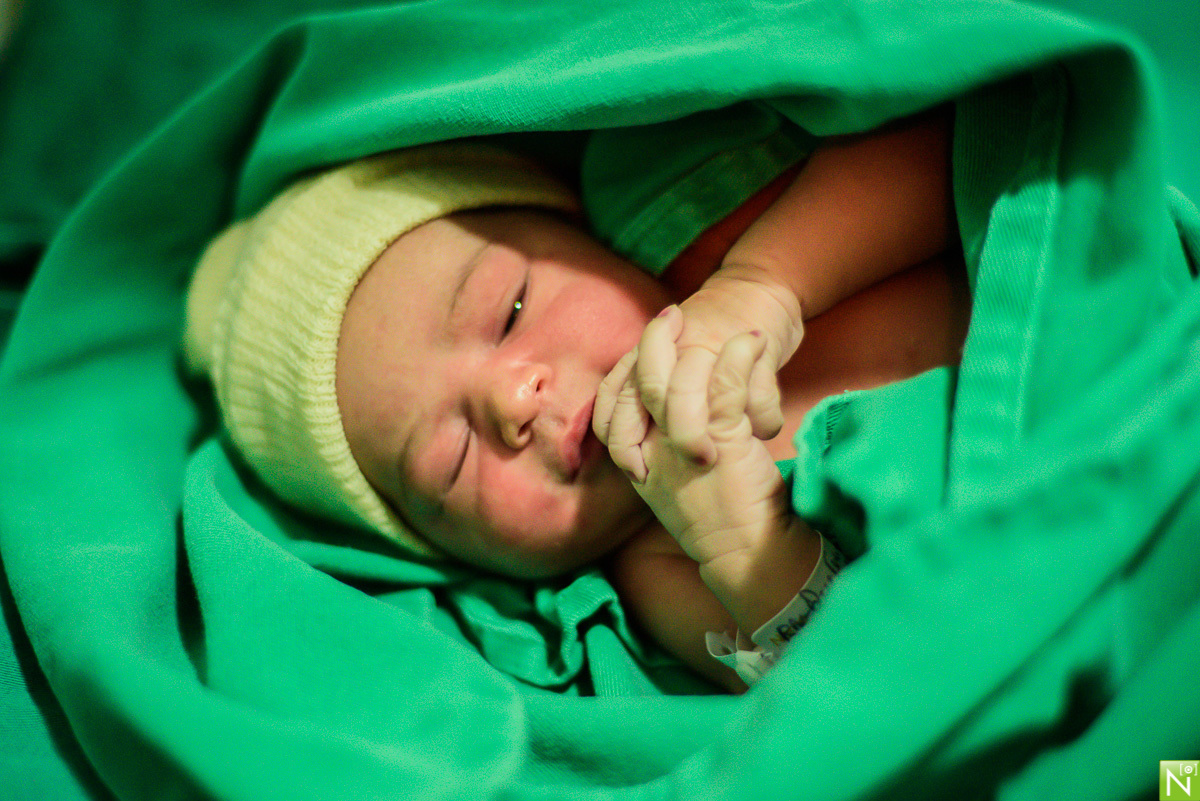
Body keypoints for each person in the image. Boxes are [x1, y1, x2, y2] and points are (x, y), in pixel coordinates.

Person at [185, 109, 968, 691]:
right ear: (457, 555)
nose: (510, 399)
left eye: (511, 310)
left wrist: (765, 282)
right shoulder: (667, 564)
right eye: (452, 463)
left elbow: (957, 135)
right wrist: (748, 543)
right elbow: (867, 690)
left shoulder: (695, 224)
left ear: (569, 227)